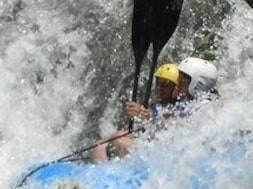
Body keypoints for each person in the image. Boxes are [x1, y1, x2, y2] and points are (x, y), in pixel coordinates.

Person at [90, 59, 219, 162]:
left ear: (197, 84)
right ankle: (100, 179)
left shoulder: (205, 107)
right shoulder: (186, 102)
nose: (178, 84)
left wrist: (149, 116)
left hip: (171, 158)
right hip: (163, 150)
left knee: (118, 138)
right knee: (100, 144)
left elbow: (176, 124)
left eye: (182, 81)